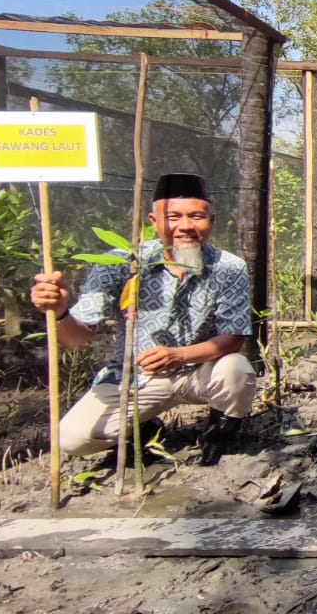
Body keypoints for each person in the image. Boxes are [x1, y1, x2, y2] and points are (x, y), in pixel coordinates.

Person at [29, 173, 256, 467]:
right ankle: (144, 429)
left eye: (196, 216)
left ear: (210, 220)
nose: (185, 226)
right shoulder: (124, 263)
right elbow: (76, 338)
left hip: (199, 371)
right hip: (136, 379)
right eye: (173, 216)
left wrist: (179, 355)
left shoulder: (229, 267)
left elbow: (234, 338)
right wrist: (59, 311)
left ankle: (218, 435)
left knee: (236, 368)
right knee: (71, 438)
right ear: (154, 221)